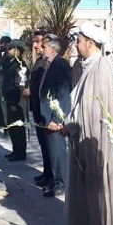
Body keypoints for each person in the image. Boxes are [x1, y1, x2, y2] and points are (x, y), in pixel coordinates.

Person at [59, 24, 113, 225]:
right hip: (81, 133)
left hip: (93, 136)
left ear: (90, 42)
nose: (76, 45)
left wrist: (71, 125)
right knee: (84, 184)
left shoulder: (100, 67)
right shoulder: (85, 66)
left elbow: (94, 108)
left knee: (95, 184)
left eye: (79, 41)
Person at [39, 34, 72, 198]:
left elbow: (64, 94)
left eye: (44, 47)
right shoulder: (50, 64)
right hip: (47, 117)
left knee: (58, 152)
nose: (41, 49)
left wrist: (57, 119)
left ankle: (62, 184)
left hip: (54, 119)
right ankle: (54, 180)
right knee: (52, 152)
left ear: (52, 48)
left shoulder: (60, 64)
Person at [27, 31, 53, 187]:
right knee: (43, 144)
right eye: (34, 42)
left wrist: (31, 91)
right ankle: (47, 172)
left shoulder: (49, 63)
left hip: (45, 111)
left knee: (49, 146)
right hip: (37, 109)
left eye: (38, 42)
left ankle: (52, 176)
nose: (35, 45)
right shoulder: (39, 61)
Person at [2, 39, 28, 161]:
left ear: (17, 50)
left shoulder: (20, 65)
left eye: (11, 48)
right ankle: (15, 150)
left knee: (18, 128)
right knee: (12, 127)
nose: (8, 50)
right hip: (10, 99)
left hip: (16, 101)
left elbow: (18, 85)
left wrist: (14, 102)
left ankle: (20, 153)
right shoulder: (11, 63)